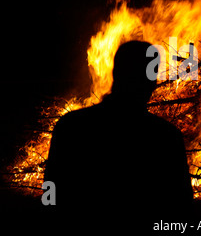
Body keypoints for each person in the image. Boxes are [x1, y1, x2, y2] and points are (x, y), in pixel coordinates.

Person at [44, 41, 193, 221]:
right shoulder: (165, 137)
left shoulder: (70, 126)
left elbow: (50, 191)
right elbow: (181, 205)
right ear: (152, 82)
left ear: (115, 74)